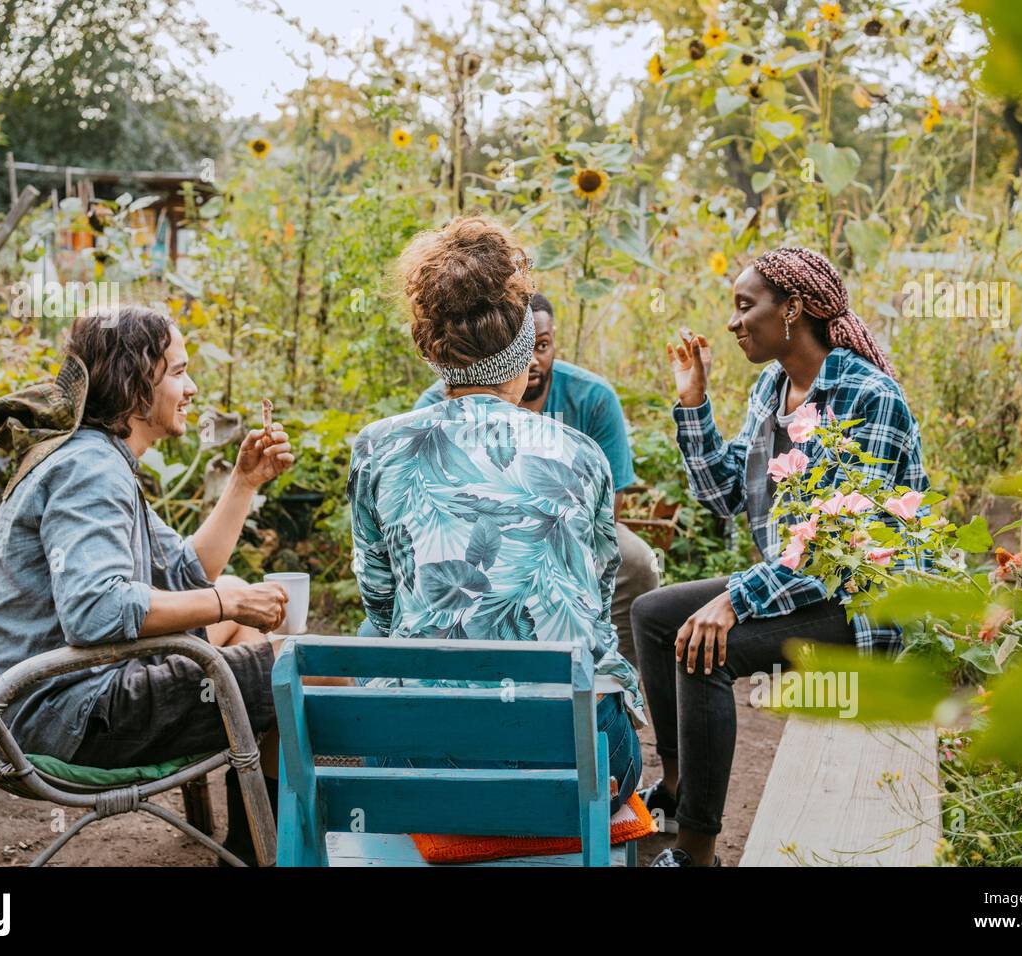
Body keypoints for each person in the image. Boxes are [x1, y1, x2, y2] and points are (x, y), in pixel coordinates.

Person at [632, 246, 931, 866]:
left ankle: (695, 849)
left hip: (861, 602)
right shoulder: (774, 387)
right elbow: (722, 494)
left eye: (746, 307)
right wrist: (693, 402)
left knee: (703, 649)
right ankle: (680, 783)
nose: (734, 323)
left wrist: (733, 601)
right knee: (655, 616)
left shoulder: (868, 397)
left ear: (793, 309)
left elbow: (834, 546)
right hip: (799, 585)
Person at [0, 306, 298, 865]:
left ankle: (246, 847)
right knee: (304, 664)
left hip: (49, 696)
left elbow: (184, 573)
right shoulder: (91, 471)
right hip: (69, 714)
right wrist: (229, 601)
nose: (191, 387)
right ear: (132, 385)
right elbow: (97, 611)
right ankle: (266, 847)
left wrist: (244, 483)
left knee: (246, 621)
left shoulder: (96, 457)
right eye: (177, 372)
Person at [349, 213, 644, 811]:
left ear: (429, 350)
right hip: (575, 755)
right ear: (520, 347)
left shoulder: (376, 447)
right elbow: (599, 600)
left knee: (373, 637)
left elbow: (379, 602)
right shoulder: (581, 454)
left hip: (418, 757)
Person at [414, 291, 661, 663]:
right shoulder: (441, 402)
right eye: (522, 348)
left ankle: (612, 674)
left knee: (638, 561)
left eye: (542, 345)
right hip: (467, 523)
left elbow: (609, 512)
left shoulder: (592, 397)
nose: (532, 360)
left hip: (574, 524)